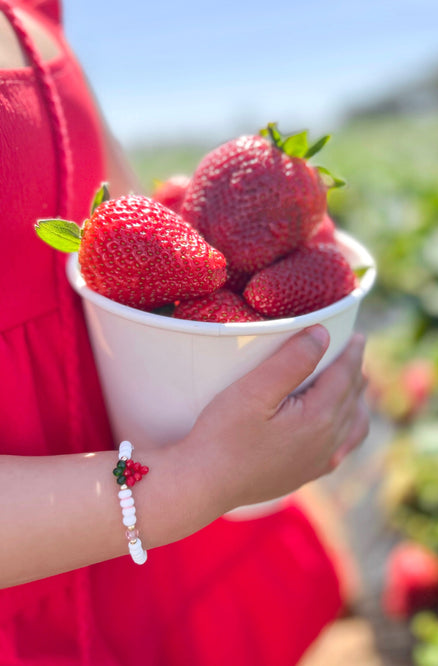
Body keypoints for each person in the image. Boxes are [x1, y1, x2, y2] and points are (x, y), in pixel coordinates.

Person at [0, 1, 369, 664]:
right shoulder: (185, 486)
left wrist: (273, 330)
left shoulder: (33, 12)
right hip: (89, 535)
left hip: (161, 482)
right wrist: (188, 485)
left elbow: (138, 227)